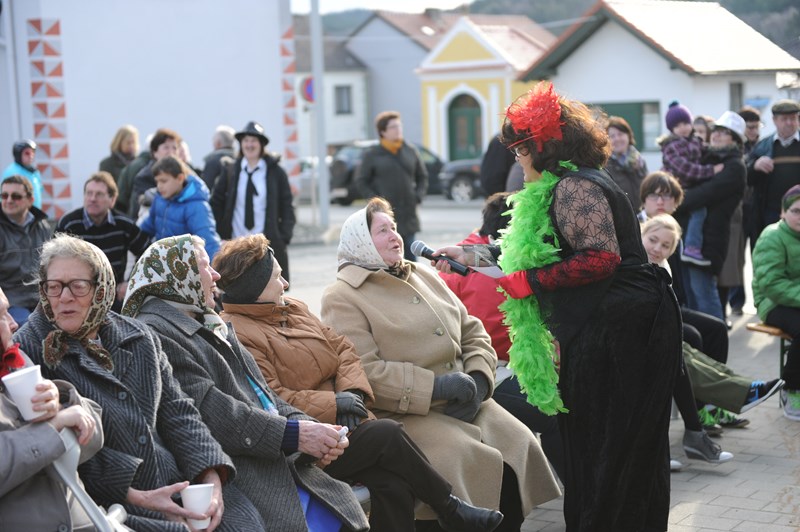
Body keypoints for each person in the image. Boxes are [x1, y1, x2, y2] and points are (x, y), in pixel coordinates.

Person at [431, 82, 682, 531]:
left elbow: (599, 258)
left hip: (624, 331)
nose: (515, 158)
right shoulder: (563, 186)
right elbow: (547, 250)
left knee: (610, 445)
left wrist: (529, 282)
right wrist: (472, 255)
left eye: (518, 149)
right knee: (602, 444)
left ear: (541, 146)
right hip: (614, 323)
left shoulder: (574, 188)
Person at [207, 233, 505, 531]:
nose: (285, 284)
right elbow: (272, 398)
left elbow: (343, 348)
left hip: (348, 422)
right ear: (256, 288)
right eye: (277, 277)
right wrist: (334, 404)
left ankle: (454, 512)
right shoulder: (239, 333)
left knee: (393, 485)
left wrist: (351, 392)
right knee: (388, 433)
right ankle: (451, 509)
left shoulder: (291, 307)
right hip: (309, 439)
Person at [322, 197, 561, 532]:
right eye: (382, 231)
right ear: (361, 241)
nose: (395, 236)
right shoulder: (342, 296)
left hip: (466, 400)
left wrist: (478, 380)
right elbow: (364, 371)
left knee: (518, 445)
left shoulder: (420, 273)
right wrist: (437, 387)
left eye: (394, 227)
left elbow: (471, 328)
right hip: (410, 413)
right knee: (467, 458)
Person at [14, 234, 265, 531]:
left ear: (102, 288)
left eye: (78, 286)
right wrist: (136, 495)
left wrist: (210, 472)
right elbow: (57, 449)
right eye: (53, 287)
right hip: (108, 501)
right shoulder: (31, 351)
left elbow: (179, 411)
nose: (64, 297)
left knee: (242, 522)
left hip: (175, 479)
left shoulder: (137, 335)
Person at [122, 234, 372, 531]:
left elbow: (264, 395)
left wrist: (314, 431)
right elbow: (213, 412)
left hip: (271, 459)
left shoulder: (205, 319)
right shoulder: (158, 332)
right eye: (204, 266)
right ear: (178, 273)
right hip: (241, 469)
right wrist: (295, 434)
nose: (215, 276)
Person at [439, 192, 565, 481]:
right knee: (555, 416)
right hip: (488, 369)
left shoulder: (467, 253)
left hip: (515, 362)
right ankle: (577, 495)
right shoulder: (488, 262)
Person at [638, 172, 750, 432]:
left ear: (677, 203)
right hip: (649, 309)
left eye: (668, 196)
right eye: (655, 195)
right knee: (693, 336)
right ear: (644, 199)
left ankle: (713, 406)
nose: (661, 201)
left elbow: (678, 280)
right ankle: (699, 411)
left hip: (671, 301)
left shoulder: (675, 231)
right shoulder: (635, 230)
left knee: (717, 328)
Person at [0, 286, 104, 531]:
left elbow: (95, 438)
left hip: (89, 519)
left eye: (79, 286)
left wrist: (62, 400)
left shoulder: (17, 361)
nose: (14, 323)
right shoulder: (36, 343)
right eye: (2, 315)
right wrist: (53, 426)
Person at [672, 111, 747, 321]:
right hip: (688, 239)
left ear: (735, 140)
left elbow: (703, 195)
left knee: (705, 299)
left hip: (708, 243)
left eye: (724, 133)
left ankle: (716, 350)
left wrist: (674, 199)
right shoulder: (706, 158)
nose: (716, 135)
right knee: (691, 300)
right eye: (716, 131)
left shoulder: (735, 167)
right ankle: (702, 350)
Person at [211, 121, 295, 282]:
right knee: (237, 286)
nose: (249, 145)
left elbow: (287, 205)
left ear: (262, 145)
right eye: (245, 140)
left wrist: (284, 236)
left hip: (265, 244)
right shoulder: (230, 170)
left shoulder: (275, 172)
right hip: (236, 242)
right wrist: (220, 234)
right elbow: (216, 202)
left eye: (253, 140)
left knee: (269, 287)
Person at [56, 171, 150, 311]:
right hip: (76, 295)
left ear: (112, 199)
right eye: (89, 193)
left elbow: (147, 253)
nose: (92, 199)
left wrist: (130, 282)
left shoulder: (124, 225)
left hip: (113, 295)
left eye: (99, 194)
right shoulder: (69, 224)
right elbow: (53, 260)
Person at [752, 184, 800, 421]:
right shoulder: (772, 236)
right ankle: (791, 388)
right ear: (783, 212)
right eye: (796, 211)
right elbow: (771, 284)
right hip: (772, 303)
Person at [355, 111, 428, 261]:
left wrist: (418, 196)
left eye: (399, 125)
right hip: (385, 216)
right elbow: (361, 181)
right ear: (383, 132)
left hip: (408, 214)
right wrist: (375, 203)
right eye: (393, 126)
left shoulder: (410, 150)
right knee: (390, 259)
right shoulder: (373, 154)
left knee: (411, 259)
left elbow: (422, 176)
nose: (398, 129)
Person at [659, 101, 723, 267]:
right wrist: (711, 170)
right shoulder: (671, 146)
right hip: (679, 187)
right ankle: (692, 247)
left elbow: (707, 149)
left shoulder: (694, 140)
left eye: (686, 123)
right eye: (678, 125)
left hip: (691, 185)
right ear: (671, 129)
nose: (683, 128)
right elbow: (685, 170)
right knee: (698, 211)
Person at [139, 155, 220, 260]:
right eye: (157, 181)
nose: (159, 186)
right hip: (162, 262)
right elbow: (148, 226)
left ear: (180, 178)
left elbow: (208, 241)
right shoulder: (160, 199)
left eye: (163, 181)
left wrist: (216, 269)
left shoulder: (196, 206)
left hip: (186, 267)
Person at [0, 175, 54, 326]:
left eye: (16, 196)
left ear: (30, 200)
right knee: (29, 329)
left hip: (43, 299)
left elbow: (52, 266)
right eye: (4, 195)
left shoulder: (42, 225)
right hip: (10, 302)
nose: (9, 200)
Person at [747, 99, 800, 242]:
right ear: (774, 120)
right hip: (770, 212)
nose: (789, 123)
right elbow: (746, 178)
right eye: (784, 119)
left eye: (793, 118)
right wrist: (755, 166)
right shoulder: (762, 146)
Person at [127, 128, 181, 218]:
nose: (171, 152)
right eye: (166, 147)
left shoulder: (184, 174)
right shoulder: (144, 177)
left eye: (174, 148)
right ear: (155, 152)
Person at [605, 115, 648, 210]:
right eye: (612, 136)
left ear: (628, 135)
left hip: (642, 214)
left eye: (620, 134)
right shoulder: (605, 165)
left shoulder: (640, 161)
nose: (617, 139)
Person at [2, 140, 44, 210]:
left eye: (33, 152)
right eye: (27, 153)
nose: (31, 156)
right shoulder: (12, 172)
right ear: (18, 154)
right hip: (18, 214)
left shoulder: (34, 172)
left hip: (34, 212)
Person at [202, 125, 236, 190]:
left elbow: (206, 188)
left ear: (218, 143)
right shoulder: (240, 160)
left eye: (213, 140)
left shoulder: (212, 162)